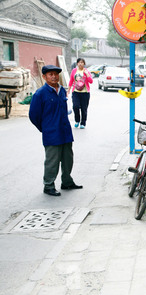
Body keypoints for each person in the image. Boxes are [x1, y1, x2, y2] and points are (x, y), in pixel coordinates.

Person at [29, 65, 83, 196]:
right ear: (44, 77)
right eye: (50, 74)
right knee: (52, 162)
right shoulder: (40, 94)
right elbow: (33, 115)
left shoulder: (62, 91)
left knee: (68, 159)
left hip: (65, 132)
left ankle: (67, 182)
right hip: (52, 133)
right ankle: (48, 185)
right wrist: (45, 128)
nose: (54, 76)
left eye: (55, 74)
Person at [68, 58, 93, 129]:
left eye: (82, 62)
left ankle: (83, 123)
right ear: (77, 63)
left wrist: (87, 74)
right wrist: (68, 90)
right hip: (76, 92)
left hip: (85, 93)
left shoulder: (86, 71)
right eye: (79, 62)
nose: (80, 63)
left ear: (84, 64)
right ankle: (77, 120)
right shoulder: (74, 71)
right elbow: (71, 81)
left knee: (84, 109)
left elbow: (91, 81)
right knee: (75, 107)